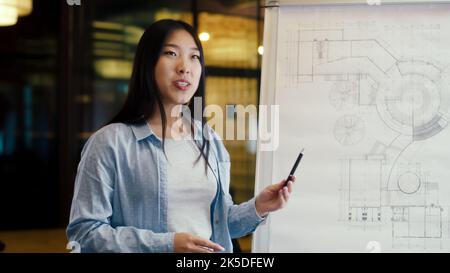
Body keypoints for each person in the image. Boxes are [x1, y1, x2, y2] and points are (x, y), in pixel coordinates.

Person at [66, 19, 295, 253]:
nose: (185, 66)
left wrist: (258, 207)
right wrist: (167, 245)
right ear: (148, 63)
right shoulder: (110, 142)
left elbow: (221, 224)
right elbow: (84, 234)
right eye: (171, 53)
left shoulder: (208, 139)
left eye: (194, 57)